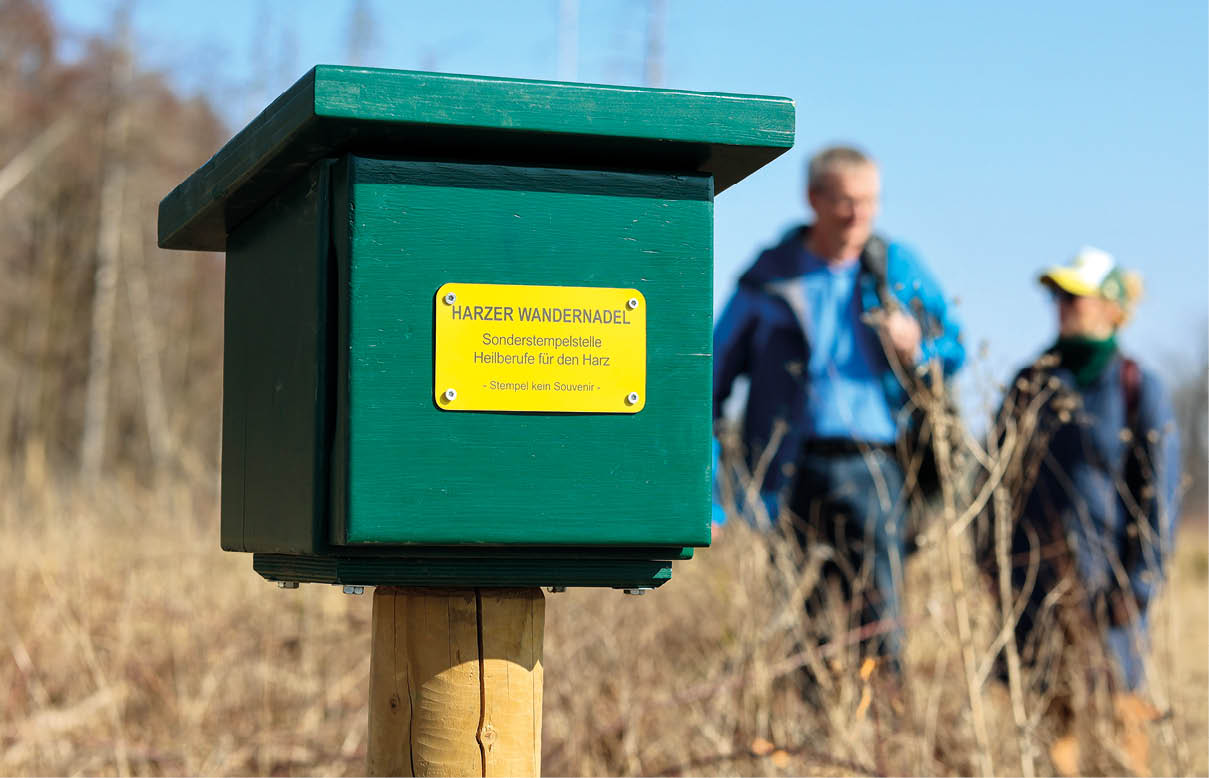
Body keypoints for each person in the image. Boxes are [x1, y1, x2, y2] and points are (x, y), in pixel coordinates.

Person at [712, 145, 965, 672]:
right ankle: (808, 734)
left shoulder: (896, 268)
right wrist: (712, 498)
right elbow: (709, 381)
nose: (858, 215)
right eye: (846, 201)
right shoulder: (770, 277)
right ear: (814, 200)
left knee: (880, 619)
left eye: (869, 201)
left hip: (877, 463)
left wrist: (916, 347)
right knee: (803, 622)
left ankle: (882, 731)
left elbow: (954, 349)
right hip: (789, 469)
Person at [978, 247, 1181, 774]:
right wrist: (988, 561)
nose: (1063, 305)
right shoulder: (1030, 383)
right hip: (1033, 585)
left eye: (1076, 295)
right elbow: (992, 481)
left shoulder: (1139, 388)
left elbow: (1159, 499)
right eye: (1058, 296)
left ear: (1111, 306)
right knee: (1049, 719)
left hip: (1108, 590)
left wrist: (1138, 586)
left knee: (1120, 719)